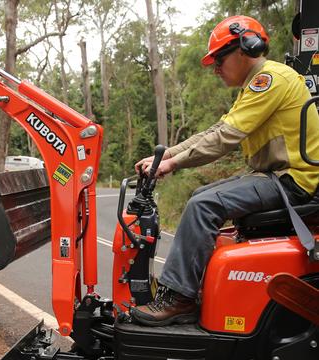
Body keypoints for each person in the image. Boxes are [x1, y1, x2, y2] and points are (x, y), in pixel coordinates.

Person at [131, 15, 319, 327]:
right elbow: (216, 130)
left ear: (246, 47)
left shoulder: (270, 80)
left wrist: (171, 163)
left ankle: (178, 299)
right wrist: (164, 156)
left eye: (220, 59)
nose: (216, 68)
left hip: (293, 181)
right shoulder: (256, 86)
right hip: (278, 177)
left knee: (203, 205)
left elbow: (223, 139)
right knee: (200, 194)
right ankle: (195, 287)